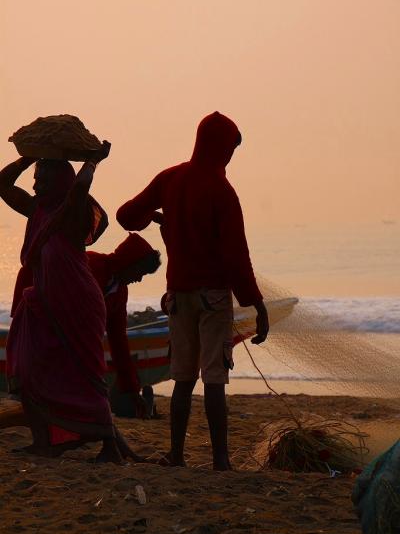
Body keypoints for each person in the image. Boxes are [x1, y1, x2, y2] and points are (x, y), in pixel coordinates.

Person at [117, 111, 269, 470]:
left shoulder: (171, 178)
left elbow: (127, 215)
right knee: (214, 379)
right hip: (213, 298)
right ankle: (220, 460)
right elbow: (236, 257)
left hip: (177, 297)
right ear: (222, 147)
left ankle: (177, 456)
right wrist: (257, 305)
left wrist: (153, 218)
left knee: (183, 377)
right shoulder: (222, 191)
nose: (231, 156)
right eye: (231, 148)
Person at [0, 151, 139, 462]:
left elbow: (79, 188)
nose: (35, 187)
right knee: (29, 368)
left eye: (42, 180)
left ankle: (109, 445)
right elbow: (2, 184)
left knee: (87, 374)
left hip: (79, 302)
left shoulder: (72, 212)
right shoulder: (37, 210)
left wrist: (93, 162)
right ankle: (43, 441)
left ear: (60, 183)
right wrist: (29, 158)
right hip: (46, 302)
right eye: (35, 181)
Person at [87, 233, 161, 417]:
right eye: (140, 272)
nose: (139, 279)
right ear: (130, 263)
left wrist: (132, 390)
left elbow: (118, 340)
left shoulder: (120, 291)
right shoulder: (91, 264)